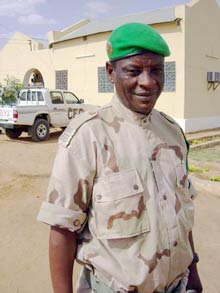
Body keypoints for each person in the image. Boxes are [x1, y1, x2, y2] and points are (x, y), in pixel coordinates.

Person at [37, 22, 203, 293]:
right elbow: (62, 229)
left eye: (157, 70)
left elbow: (181, 212)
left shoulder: (172, 133)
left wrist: (192, 268)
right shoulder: (88, 136)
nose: (148, 82)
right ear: (111, 72)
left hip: (178, 286)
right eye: (134, 71)